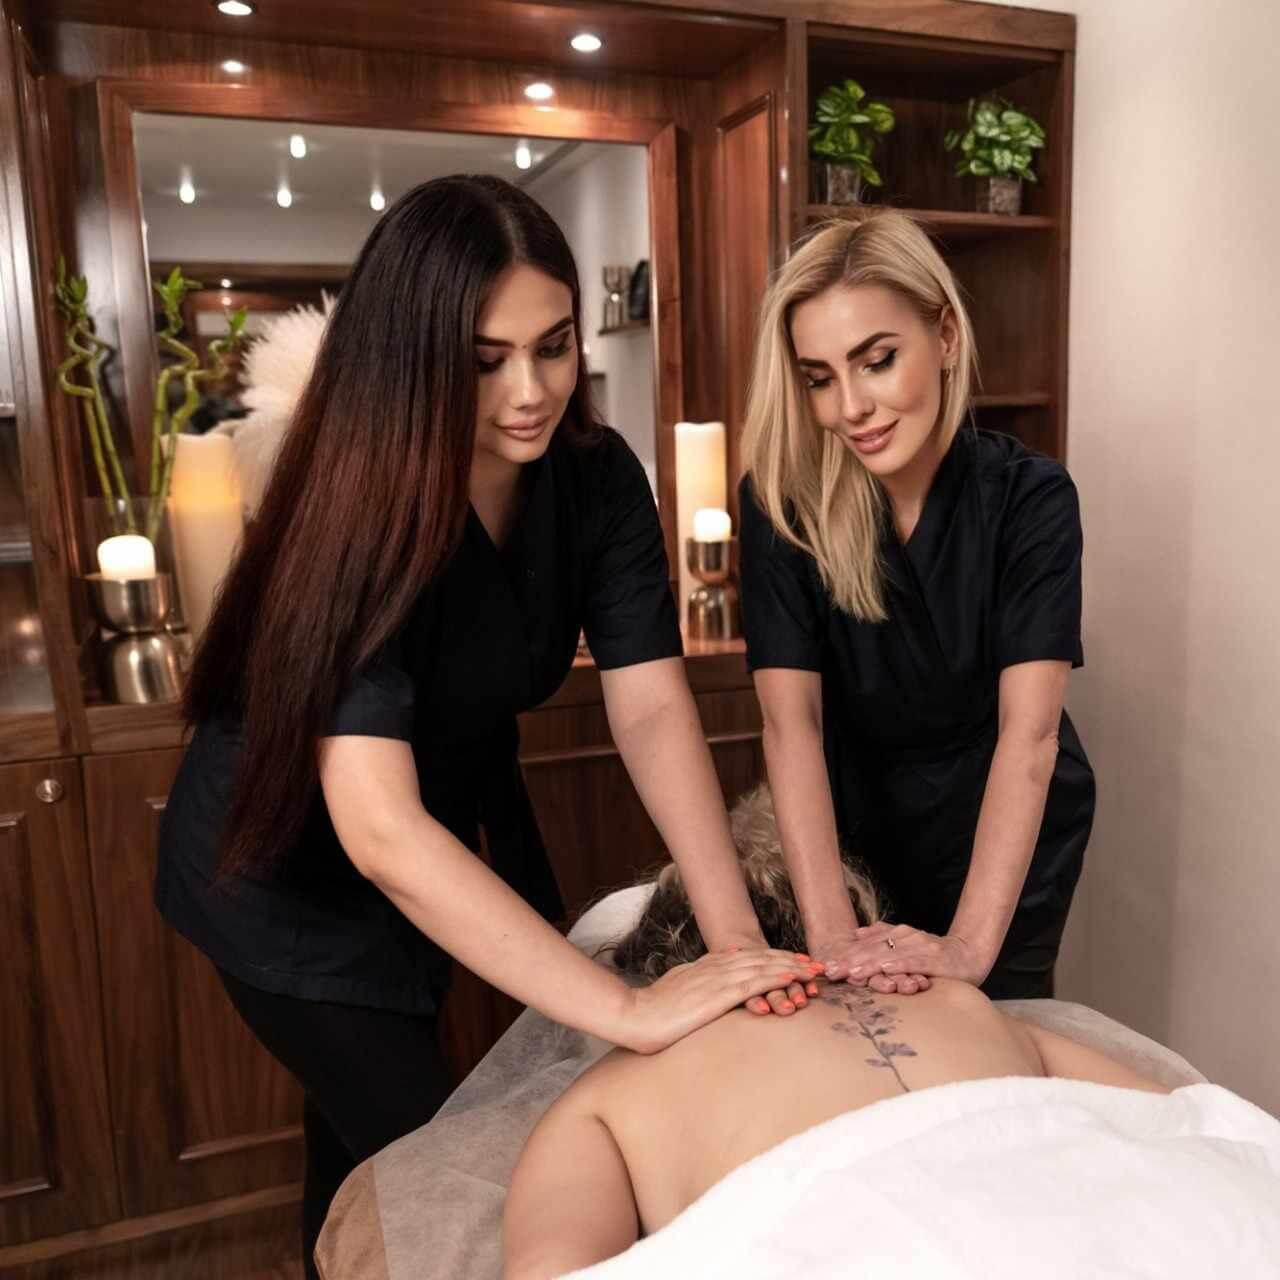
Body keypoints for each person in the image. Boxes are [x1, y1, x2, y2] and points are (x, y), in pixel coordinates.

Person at [153, 175, 818, 1278]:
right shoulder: (356, 510)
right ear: (413, 357)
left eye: (553, 347)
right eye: (484, 359)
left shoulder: (595, 479)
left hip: (424, 842)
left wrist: (735, 935)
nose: (530, 391)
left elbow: (651, 706)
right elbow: (379, 831)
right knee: (449, 1177)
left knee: (358, 1151)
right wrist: (630, 1009)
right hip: (279, 879)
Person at [501, 786, 1166, 1280]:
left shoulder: (616, 1087)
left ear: (659, 959)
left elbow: (549, 1269)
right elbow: (1180, 1119)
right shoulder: (964, 1007)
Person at [738, 209, 1095, 1001]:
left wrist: (968, 946)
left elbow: (1030, 735)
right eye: (819, 378)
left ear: (946, 336)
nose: (850, 408)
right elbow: (791, 727)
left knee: (992, 1046)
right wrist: (832, 933)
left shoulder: (1031, 499)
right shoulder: (782, 507)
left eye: (877, 361)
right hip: (857, 835)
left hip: (1003, 846)